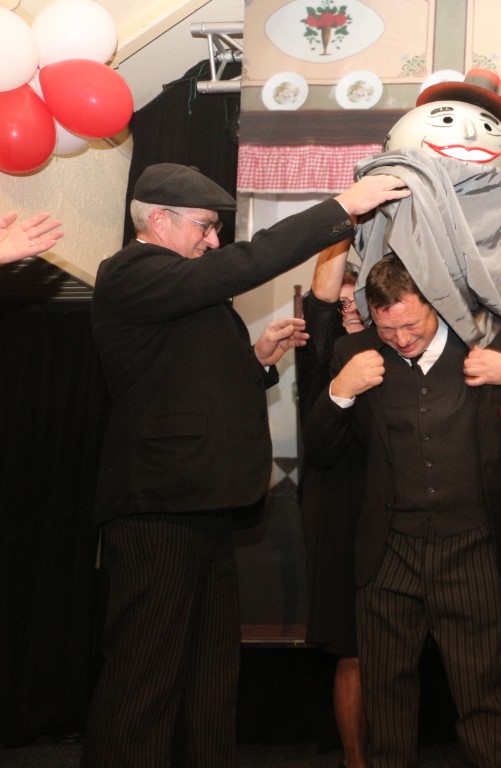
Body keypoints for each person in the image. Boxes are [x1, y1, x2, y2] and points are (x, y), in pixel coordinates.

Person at [83, 163, 410, 768]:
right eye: (205, 226)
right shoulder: (130, 271)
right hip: (159, 506)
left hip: (204, 502)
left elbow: (184, 380)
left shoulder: (175, 287)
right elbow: (249, 262)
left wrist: (257, 360)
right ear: (160, 220)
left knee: (210, 675)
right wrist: (343, 206)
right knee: (144, 678)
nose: (213, 241)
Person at [304, 253, 501, 768]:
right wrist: (341, 391)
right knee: (387, 699)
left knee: (483, 694)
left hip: (473, 548)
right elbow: (321, 451)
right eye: (387, 329)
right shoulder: (354, 352)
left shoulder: (490, 339)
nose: (400, 339)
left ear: (435, 304)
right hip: (387, 553)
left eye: (410, 325)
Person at [296, 239, 369, 768]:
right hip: (339, 506)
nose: (348, 310)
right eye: (339, 303)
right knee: (353, 647)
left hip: (394, 504)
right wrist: (345, 222)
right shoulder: (319, 354)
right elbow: (321, 305)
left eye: (356, 301)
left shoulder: (394, 347)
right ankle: (355, 761)